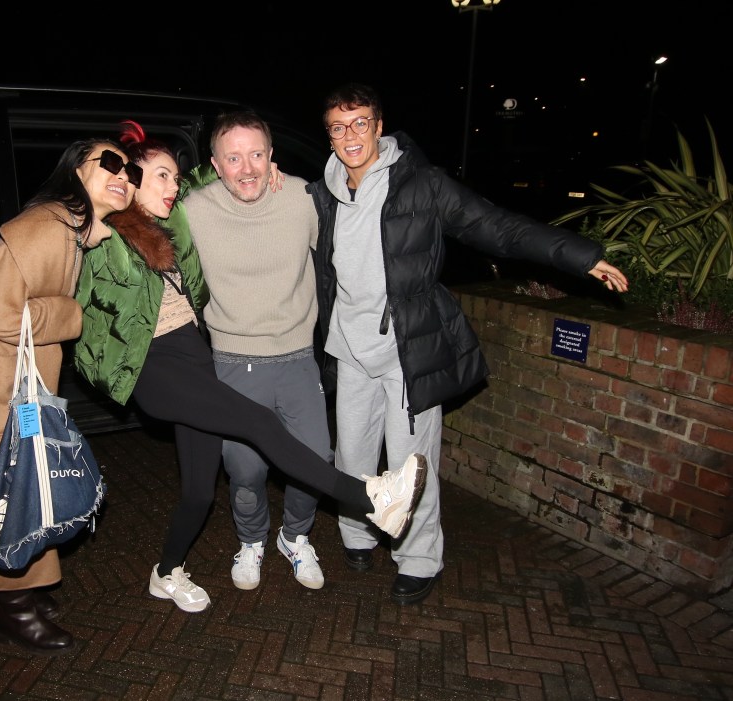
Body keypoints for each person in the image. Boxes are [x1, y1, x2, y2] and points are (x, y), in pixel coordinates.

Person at [73, 120, 427, 614]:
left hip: (194, 362)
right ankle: (372, 498)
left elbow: (213, 174)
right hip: (152, 369)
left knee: (199, 493)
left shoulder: (170, 218)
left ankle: (166, 573)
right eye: (160, 177)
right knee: (257, 428)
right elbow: (54, 246)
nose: (173, 186)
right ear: (128, 181)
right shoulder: (100, 231)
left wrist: (256, 166)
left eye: (176, 177)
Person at [306, 83, 629, 606]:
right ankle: (358, 534)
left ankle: (418, 557)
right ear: (329, 135)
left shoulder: (422, 184)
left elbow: (495, 227)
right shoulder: (322, 193)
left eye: (360, 122)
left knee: (411, 464)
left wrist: (578, 256)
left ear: (379, 126)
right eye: (339, 127)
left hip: (409, 349)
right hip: (348, 346)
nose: (351, 136)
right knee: (353, 454)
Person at [0, 138, 141, 655]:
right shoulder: (47, 227)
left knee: (22, 479)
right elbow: (2, 317)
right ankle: (16, 611)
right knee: (11, 487)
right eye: (108, 163)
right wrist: (72, 316)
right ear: (74, 172)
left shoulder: (71, 230)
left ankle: (25, 592)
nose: (123, 175)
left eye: (129, 169)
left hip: (8, 378)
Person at [183, 111, 330, 592]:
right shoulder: (195, 210)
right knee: (245, 471)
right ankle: (251, 541)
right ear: (215, 164)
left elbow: (346, 245)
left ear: (272, 158)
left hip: (296, 358)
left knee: (316, 462)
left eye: (257, 154)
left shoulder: (302, 199)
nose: (246, 168)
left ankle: (294, 537)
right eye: (233, 157)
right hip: (233, 361)